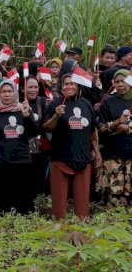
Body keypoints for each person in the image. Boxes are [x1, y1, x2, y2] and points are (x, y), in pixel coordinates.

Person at [43, 74, 102, 220]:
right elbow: (46, 128)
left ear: (78, 86)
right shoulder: (55, 104)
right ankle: (58, 228)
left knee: (82, 206)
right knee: (59, 205)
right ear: (61, 87)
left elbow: (92, 131)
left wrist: (97, 152)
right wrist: (56, 116)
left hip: (82, 157)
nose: (69, 87)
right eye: (66, 84)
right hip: (60, 157)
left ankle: (82, 228)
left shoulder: (87, 104)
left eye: (73, 84)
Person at [0, 79, 39, 213]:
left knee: (23, 202)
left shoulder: (23, 109)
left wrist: (27, 116)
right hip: (0, 161)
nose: (7, 94)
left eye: (10, 91)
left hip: (21, 160)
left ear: (15, 92)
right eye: (4, 91)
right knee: (1, 204)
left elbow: (34, 132)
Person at [96, 70, 132, 207]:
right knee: (114, 196)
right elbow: (100, 128)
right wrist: (117, 123)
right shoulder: (108, 102)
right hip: (113, 154)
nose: (120, 84)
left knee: (128, 195)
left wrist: (127, 129)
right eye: (117, 82)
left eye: (123, 81)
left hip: (130, 155)